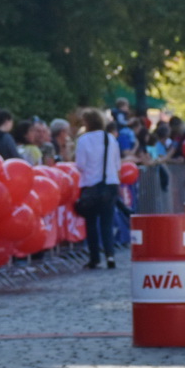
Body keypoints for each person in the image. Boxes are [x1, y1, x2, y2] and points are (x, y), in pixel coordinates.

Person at [74, 107, 121, 270]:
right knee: (107, 223)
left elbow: (80, 165)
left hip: (91, 185)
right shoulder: (110, 139)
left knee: (91, 223)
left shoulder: (84, 140)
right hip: (110, 184)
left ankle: (95, 258)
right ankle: (110, 254)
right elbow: (117, 164)